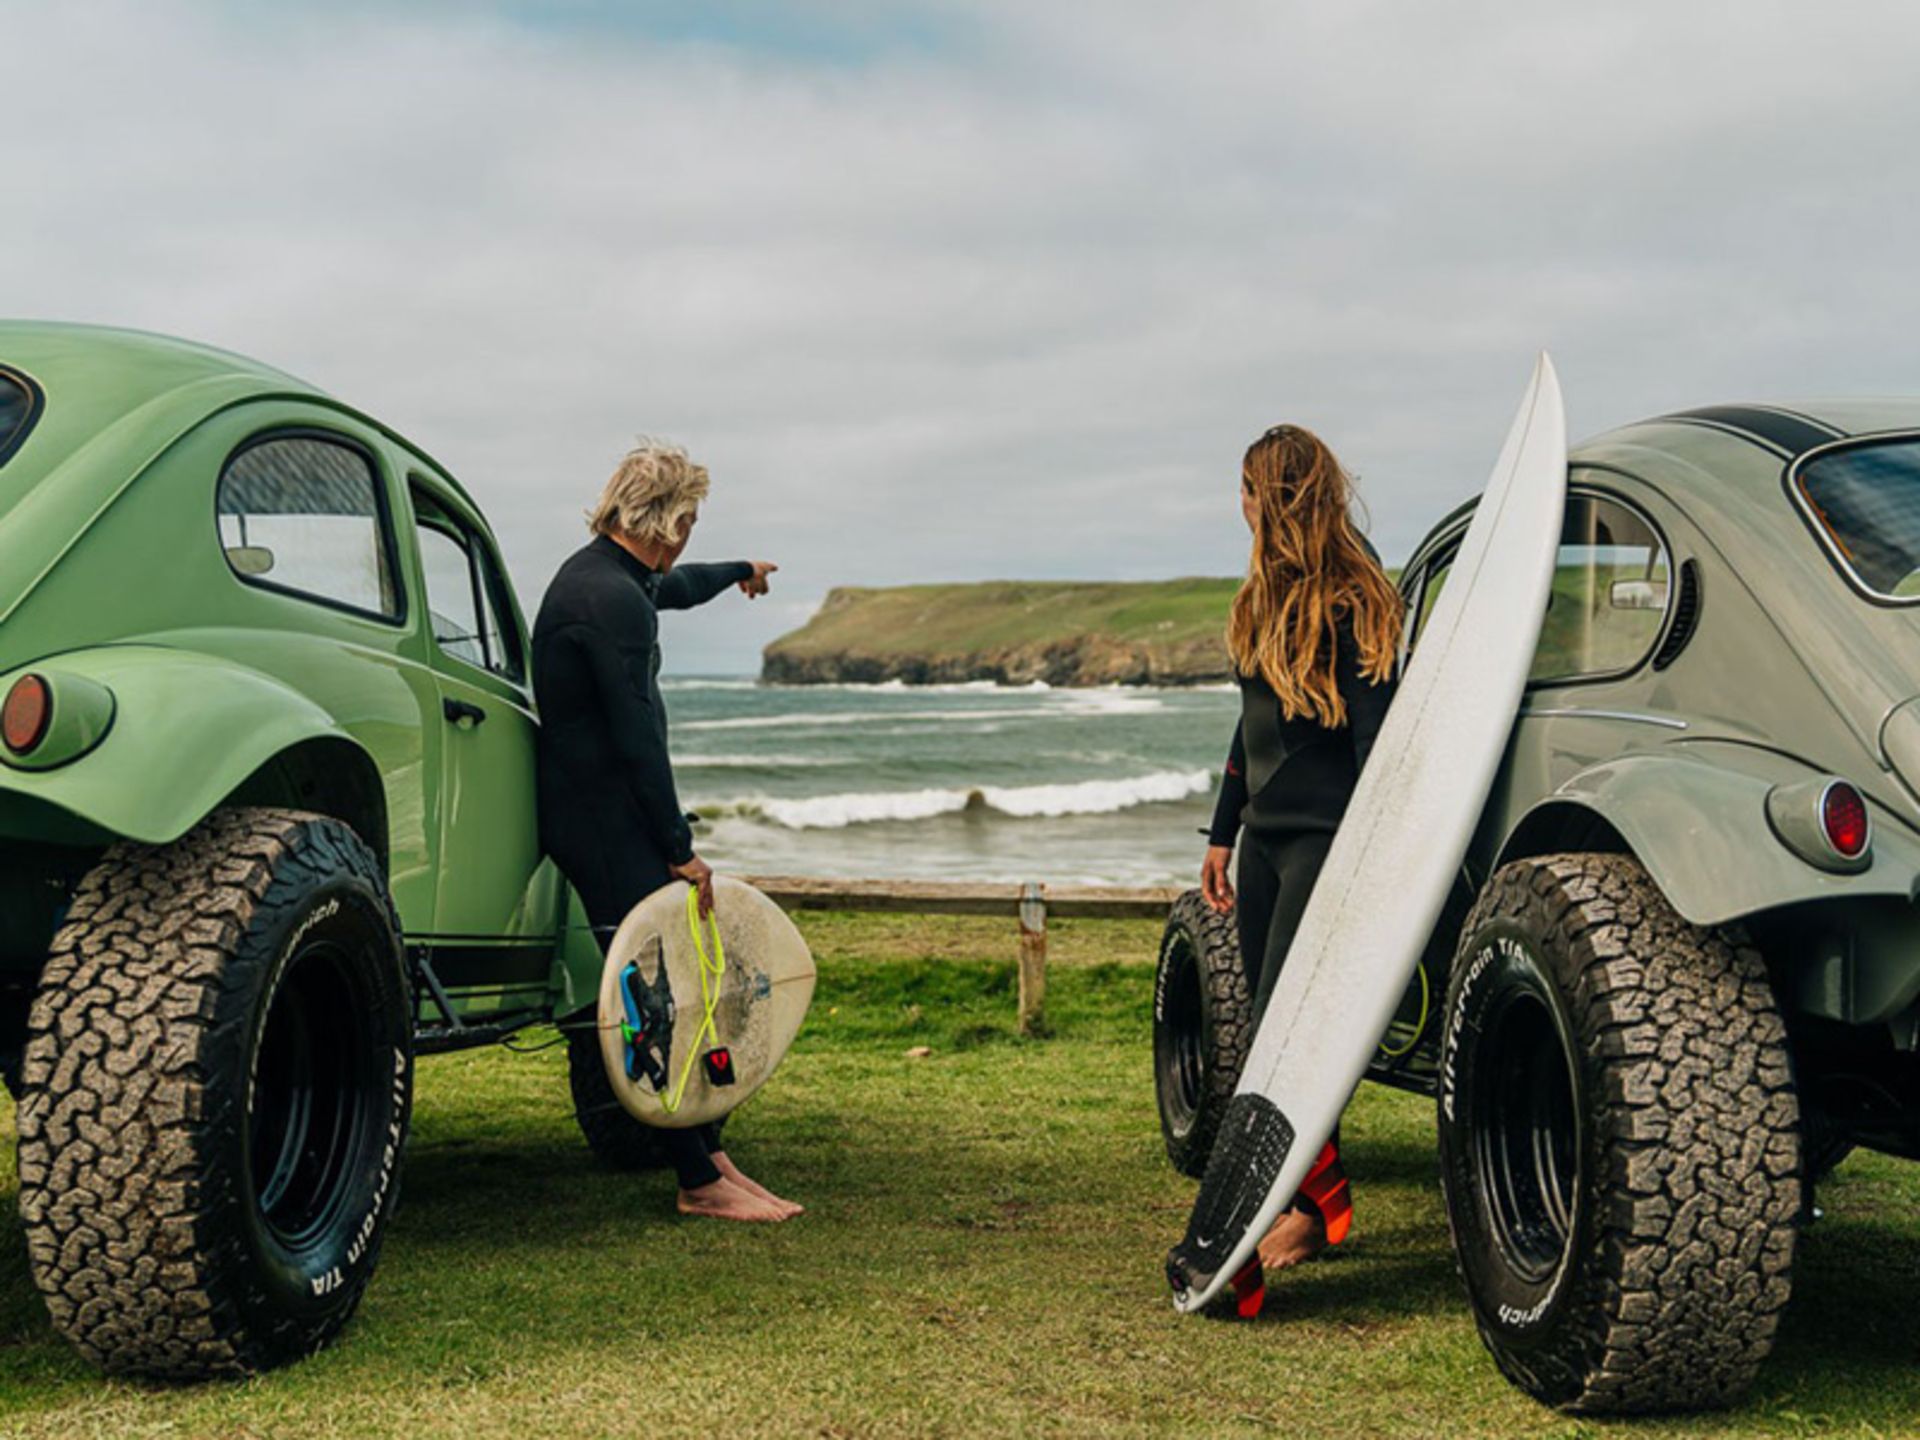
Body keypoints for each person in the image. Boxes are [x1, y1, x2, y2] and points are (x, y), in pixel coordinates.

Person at [533, 439, 797, 1223]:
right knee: (662, 997)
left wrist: (738, 570)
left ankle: (708, 1153)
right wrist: (680, 848)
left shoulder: (606, 578)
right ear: (671, 520)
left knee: (678, 984)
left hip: (600, 813)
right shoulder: (609, 603)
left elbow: (674, 587)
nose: (687, 540)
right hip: (602, 821)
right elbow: (636, 737)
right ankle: (697, 1180)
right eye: (690, 523)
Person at [1200, 422, 1401, 1281]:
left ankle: (1309, 1209)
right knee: (1266, 1030)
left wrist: (1376, 862)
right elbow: (1250, 732)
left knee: (1293, 1034)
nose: (1237, 504)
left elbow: (1378, 746)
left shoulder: (1357, 601)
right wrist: (1221, 830)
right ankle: (1310, 1197)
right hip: (1264, 845)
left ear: (1273, 499)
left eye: (1246, 489)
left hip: (1324, 846)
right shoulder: (1260, 600)